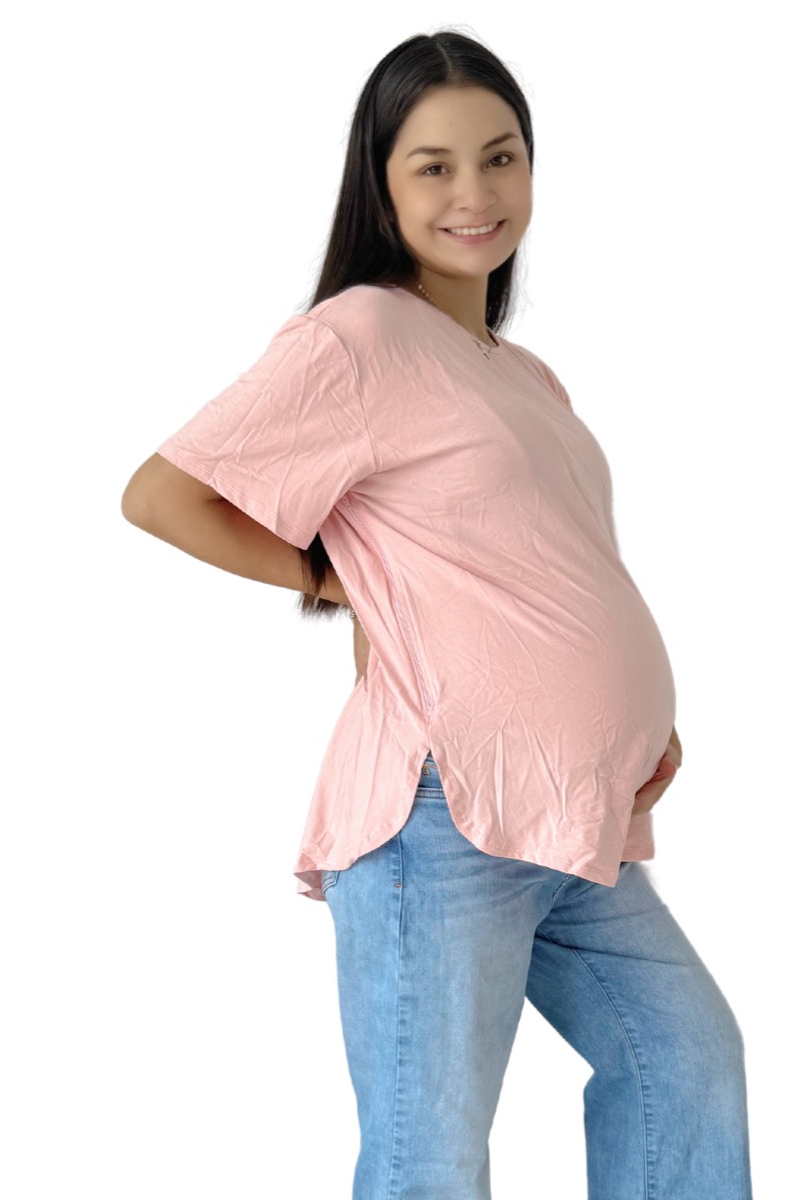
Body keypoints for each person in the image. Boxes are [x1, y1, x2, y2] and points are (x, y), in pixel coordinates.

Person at [121, 29, 753, 1200]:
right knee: (430, 1163)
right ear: (380, 183)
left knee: (686, 1065)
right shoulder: (359, 334)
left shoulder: (522, 374)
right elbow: (161, 496)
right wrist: (342, 580)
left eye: (500, 157)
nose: (475, 192)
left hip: (571, 815)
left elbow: (539, 565)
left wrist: (627, 719)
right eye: (434, 165)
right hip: (442, 818)